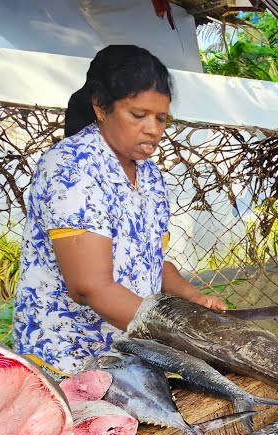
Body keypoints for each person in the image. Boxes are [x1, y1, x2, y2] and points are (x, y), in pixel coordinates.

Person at [13, 45, 225, 375]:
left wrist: (192, 297)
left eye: (161, 118)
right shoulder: (71, 166)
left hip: (131, 357)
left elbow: (149, 258)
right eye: (138, 115)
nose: (153, 129)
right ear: (101, 106)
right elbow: (89, 286)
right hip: (70, 363)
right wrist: (182, 334)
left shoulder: (150, 175)